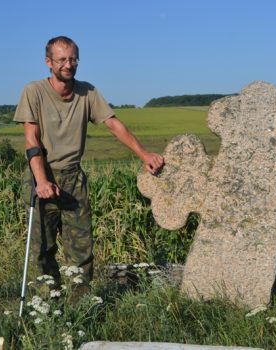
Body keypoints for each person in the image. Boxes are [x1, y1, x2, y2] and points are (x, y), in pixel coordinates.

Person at [14, 35, 164, 298]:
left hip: (73, 177)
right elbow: (31, 140)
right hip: (42, 175)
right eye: (61, 59)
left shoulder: (88, 92)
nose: (68, 64)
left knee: (81, 250)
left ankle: (79, 308)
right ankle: (48, 305)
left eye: (73, 59)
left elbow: (113, 124)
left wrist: (143, 154)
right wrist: (42, 181)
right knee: (42, 248)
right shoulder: (33, 91)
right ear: (48, 62)